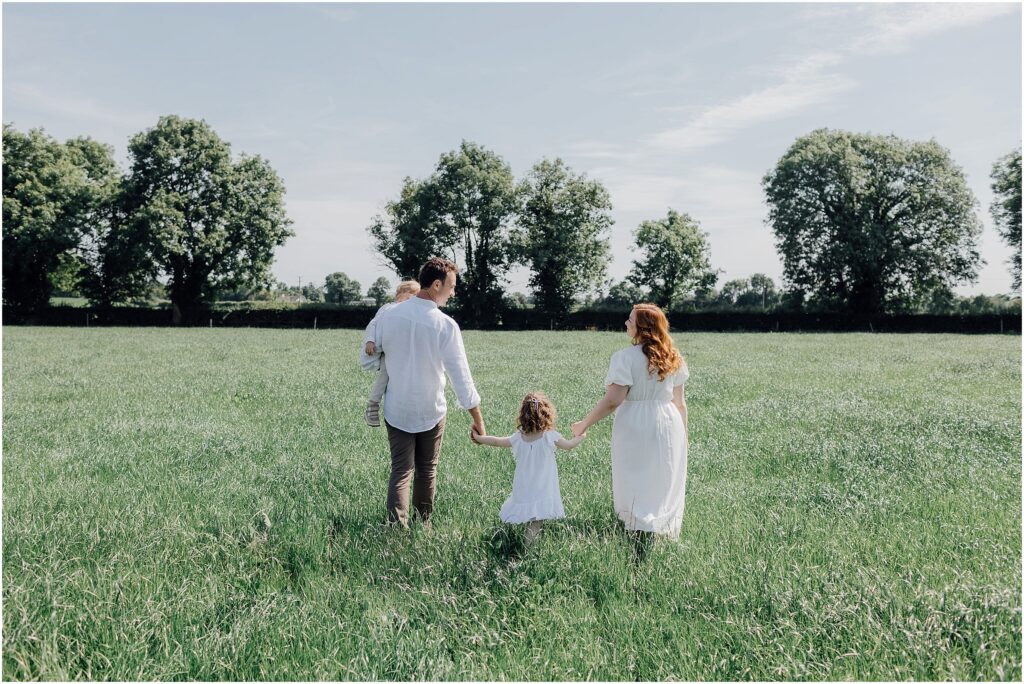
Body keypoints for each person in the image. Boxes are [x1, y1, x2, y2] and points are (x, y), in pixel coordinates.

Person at [372, 257, 486, 528]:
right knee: (427, 470)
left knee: (401, 471)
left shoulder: (389, 316)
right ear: (437, 284)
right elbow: (462, 378)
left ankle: (396, 529)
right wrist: (478, 420)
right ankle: (423, 524)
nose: (453, 292)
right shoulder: (445, 325)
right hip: (431, 411)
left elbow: (371, 357)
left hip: (397, 407)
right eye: (451, 286)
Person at [571, 304, 689, 539]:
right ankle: (659, 528)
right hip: (669, 421)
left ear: (642, 328)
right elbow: (680, 403)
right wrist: (684, 437)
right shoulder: (673, 356)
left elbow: (613, 400)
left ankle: (637, 527)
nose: (626, 323)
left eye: (630, 320)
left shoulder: (624, 358)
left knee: (634, 474)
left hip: (636, 421)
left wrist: (584, 424)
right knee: (663, 474)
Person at [472, 392, 586, 542]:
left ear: (523, 416)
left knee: (528, 513)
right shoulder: (549, 436)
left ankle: (513, 539)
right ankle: (527, 550)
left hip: (524, 486)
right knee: (536, 521)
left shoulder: (519, 437)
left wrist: (479, 438)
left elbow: (497, 442)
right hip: (542, 487)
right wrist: (582, 435)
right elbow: (569, 445)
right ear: (546, 414)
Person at [360, 279, 421, 427]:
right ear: (401, 293)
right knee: (384, 377)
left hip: (402, 352)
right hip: (385, 351)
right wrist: (370, 341)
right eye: (411, 295)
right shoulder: (387, 308)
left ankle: (405, 408)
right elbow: (373, 325)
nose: (412, 300)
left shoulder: (412, 312)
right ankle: (373, 406)